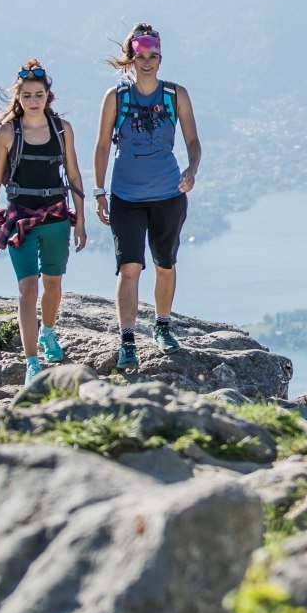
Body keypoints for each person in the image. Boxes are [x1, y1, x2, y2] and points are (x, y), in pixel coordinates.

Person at [0, 60, 88, 384]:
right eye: (27, 95)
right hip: (20, 217)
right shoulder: (7, 133)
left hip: (55, 215)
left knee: (53, 283)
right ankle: (32, 363)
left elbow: (74, 174)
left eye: (39, 94)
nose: (33, 101)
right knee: (27, 288)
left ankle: (48, 333)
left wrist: (80, 220)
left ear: (47, 96)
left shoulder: (62, 130)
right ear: (18, 97)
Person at [94, 22, 201, 367]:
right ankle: (127, 339)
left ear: (160, 58)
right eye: (141, 56)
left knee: (165, 264)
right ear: (131, 59)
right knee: (129, 267)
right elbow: (100, 147)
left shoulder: (175, 95)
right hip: (126, 196)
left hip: (169, 194)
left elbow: (193, 142)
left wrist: (192, 170)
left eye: (153, 55)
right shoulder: (116, 98)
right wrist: (99, 191)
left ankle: (163, 326)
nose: (148, 62)